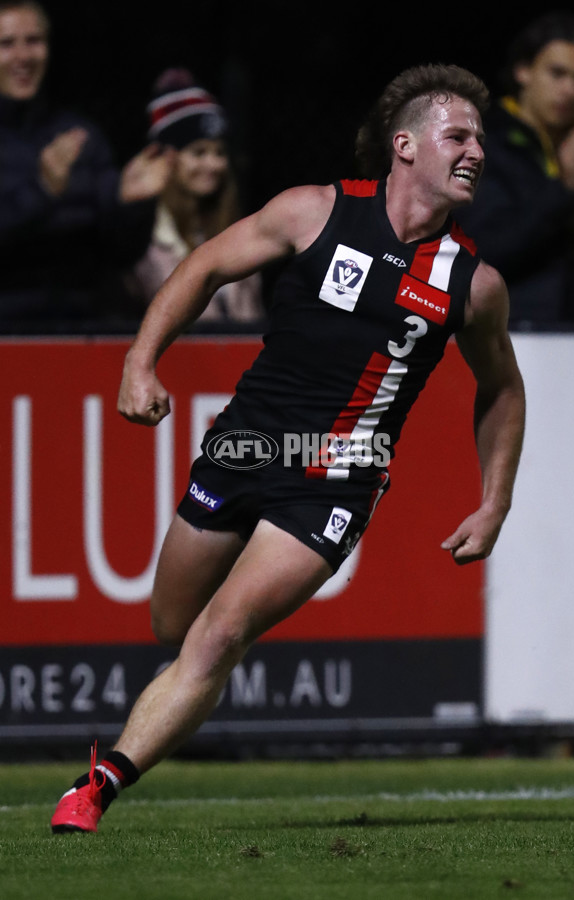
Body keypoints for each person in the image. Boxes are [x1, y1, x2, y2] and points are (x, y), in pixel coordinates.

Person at [50, 63, 525, 833]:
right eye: (457, 135)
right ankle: (181, 692)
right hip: (244, 447)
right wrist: (140, 362)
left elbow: (502, 387)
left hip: (337, 478)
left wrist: (494, 500)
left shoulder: (474, 284)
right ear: (405, 145)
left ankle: (93, 788)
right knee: (172, 624)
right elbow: (203, 267)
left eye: (480, 140)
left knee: (220, 633)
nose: (475, 151)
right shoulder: (315, 211)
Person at [0, 1, 173, 334]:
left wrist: (130, 204)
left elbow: (121, 254)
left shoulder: (80, 135)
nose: (23, 56)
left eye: (34, 41)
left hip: (80, 333)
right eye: (7, 44)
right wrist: (41, 191)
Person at [455, 11, 574, 328]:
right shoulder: (482, 144)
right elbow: (485, 251)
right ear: (523, 71)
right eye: (557, 74)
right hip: (512, 328)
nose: (570, 89)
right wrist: (566, 187)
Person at [128, 68, 264, 330]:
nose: (213, 164)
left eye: (219, 153)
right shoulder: (146, 236)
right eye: (198, 152)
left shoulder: (237, 229)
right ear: (168, 158)